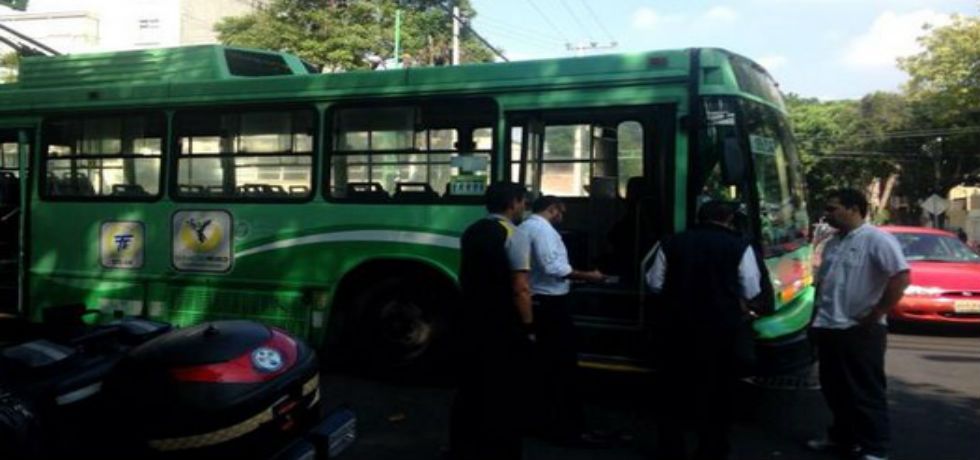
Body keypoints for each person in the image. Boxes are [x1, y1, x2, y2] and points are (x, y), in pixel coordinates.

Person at [645, 200, 762, 460]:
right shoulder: (739, 245)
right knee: (717, 390)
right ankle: (712, 448)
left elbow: (654, 282)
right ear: (729, 219)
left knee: (674, 389)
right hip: (721, 329)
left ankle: (671, 448)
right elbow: (751, 288)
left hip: (678, 327)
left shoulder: (672, 242)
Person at [807, 189, 909, 460]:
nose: (827, 215)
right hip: (828, 326)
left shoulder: (877, 240)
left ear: (853, 209)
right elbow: (824, 284)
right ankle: (842, 439)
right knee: (834, 388)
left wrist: (875, 314)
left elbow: (900, 277)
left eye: (832, 209)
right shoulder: (832, 243)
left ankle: (875, 447)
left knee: (864, 390)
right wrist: (814, 318)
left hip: (860, 330)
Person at [448, 181, 533, 460]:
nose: (523, 208)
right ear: (513, 204)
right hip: (501, 324)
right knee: (503, 390)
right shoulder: (514, 234)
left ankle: (463, 447)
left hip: (470, 319)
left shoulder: (472, 231)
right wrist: (528, 325)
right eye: (522, 202)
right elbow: (520, 287)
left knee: (470, 388)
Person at [516, 195, 608, 447]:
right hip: (550, 304)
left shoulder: (526, 227)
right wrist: (589, 276)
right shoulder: (541, 230)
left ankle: (544, 422)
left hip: (541, 301)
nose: (562, 217)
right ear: (551, 209)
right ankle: (565, 428)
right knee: (561, 367)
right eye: (561, 212)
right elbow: (552, 267)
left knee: (545, 367)